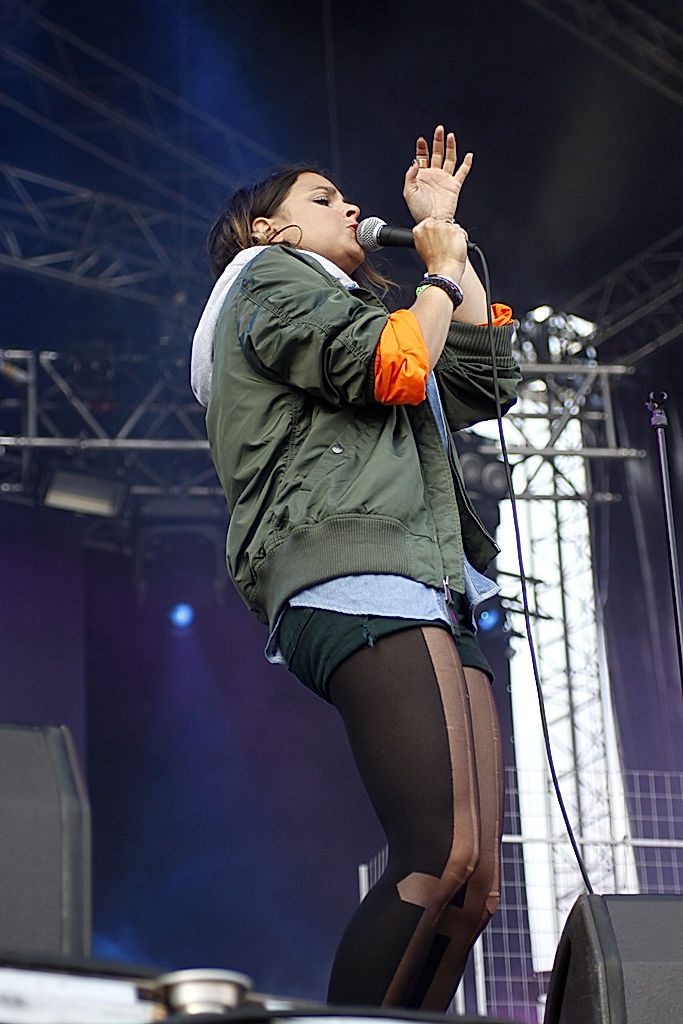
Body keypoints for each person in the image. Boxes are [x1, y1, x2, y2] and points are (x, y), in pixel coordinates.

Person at [191, 125, 521, 1011]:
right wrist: (436, 273)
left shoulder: (373, 304)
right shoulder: (265, 283)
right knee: (436, 855)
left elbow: (483, 383)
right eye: (322, 197)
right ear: (271, 231)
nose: (350, 206)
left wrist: (445, 237)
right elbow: (389, 366)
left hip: (430, 576)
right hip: (352, 566)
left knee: (474, 883)